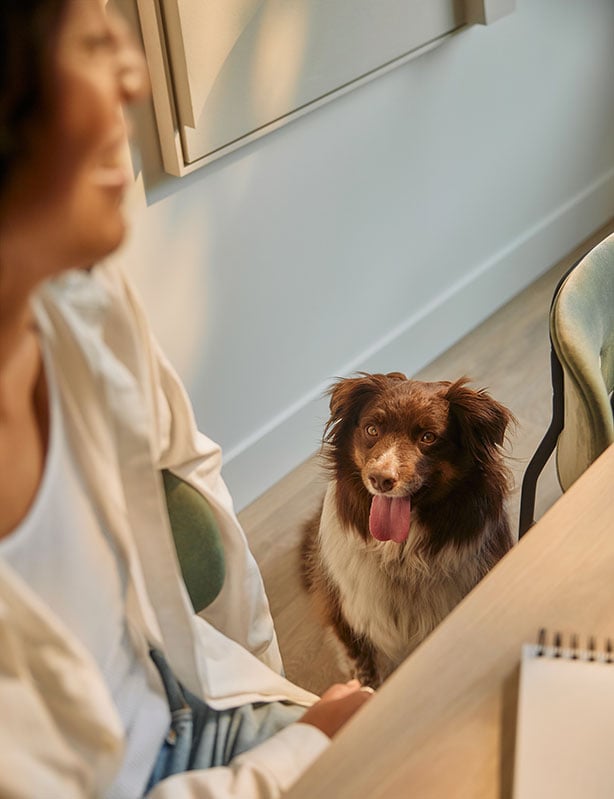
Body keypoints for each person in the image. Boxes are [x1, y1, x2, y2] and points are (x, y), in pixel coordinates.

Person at [0, 1, 373, 797]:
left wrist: (275, 696)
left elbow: (191, 471)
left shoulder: (85, 299)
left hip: (192, 701)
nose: (134, 75)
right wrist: (299, 754)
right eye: (95, 40)